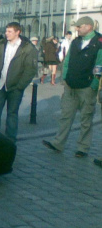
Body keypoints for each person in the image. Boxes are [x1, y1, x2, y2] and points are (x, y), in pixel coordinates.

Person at [43, 17, 102, 158]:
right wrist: (64, 77)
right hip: (70, 85)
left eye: (79, 26)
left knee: (86, 119)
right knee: (66, 115)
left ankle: (83, 147)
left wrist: (94, 83)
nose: (76, 29)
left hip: (87, 86)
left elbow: (99, 65)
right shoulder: (76, 41)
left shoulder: (99, 42)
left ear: (88, 26)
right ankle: (58, 143)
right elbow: (68, 59)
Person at [0, 22, 37, 141]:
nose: (6, 33)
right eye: (6, 31)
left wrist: (20, 86)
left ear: (17, 32)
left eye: (9, 31)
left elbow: (30, 69)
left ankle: (10, 139)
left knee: (12, 114)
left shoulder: (27, 48)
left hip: (15, 87)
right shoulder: (1, 44)